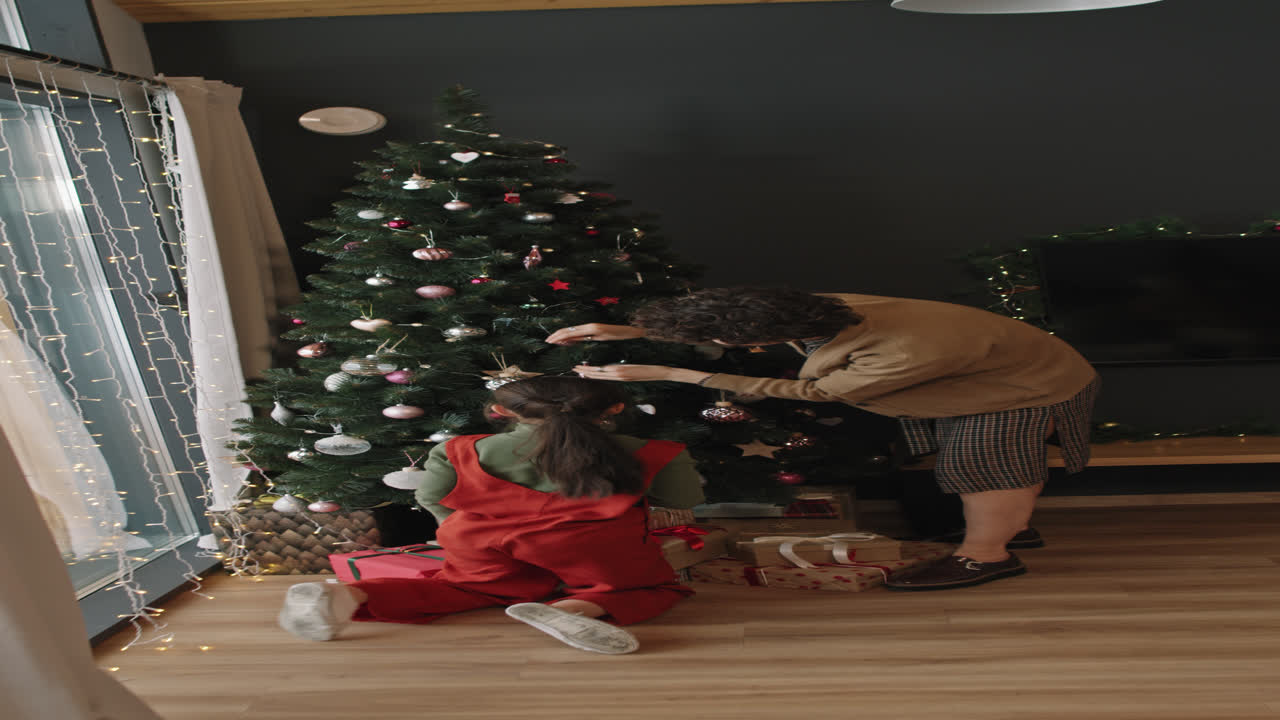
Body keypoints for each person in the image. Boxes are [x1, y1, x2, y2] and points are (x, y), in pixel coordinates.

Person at [547, 287, 1099, 591]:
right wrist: (631, 330)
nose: (716, 343)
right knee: (977, 468)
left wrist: (677, 373)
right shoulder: (820, 306)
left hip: (1022, 388)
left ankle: (988, 556)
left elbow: (814, 391)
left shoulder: (903, 351)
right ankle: (1010, 530)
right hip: (976, 373)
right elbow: (739, 321)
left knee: (987, 466)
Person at [277, 376, 704, 653]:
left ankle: (343, 595)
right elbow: (684, 498)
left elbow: (430, 496)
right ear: (612, 410)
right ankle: (574, 610)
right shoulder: (650, 451)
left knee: (462, 588)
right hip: (588, 543)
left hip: (478, 540)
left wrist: (457, 529)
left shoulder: (459, 448)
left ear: (505, 412)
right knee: (644, 587)